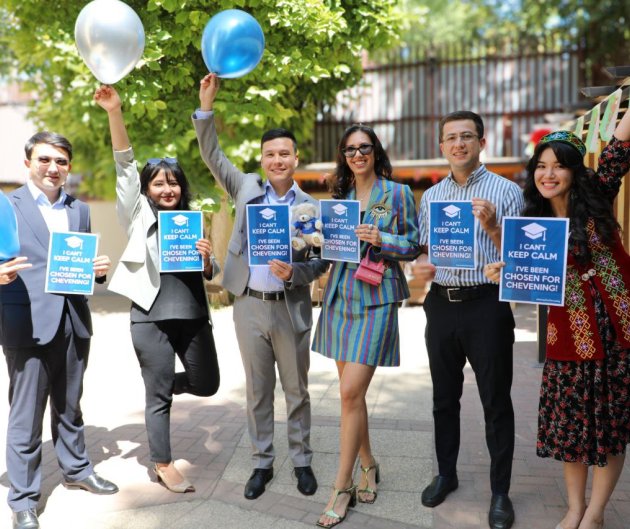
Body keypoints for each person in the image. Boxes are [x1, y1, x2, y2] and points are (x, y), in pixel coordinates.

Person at [484, 109, 630, 529]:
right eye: (541, 166)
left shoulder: (597, 195)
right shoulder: (531, 222)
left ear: (574, 171)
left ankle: (595, 515)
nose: (548, 174)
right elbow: (525, 278)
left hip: (617, 333)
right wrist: (502, 270)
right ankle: (574, 508)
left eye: (559, 166)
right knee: (571, 428)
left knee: (611, 428)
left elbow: (620, 146)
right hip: (568, 337)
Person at [193, 73, 328, 500]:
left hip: (290, 306)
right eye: (270, 154)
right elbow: (212, 154)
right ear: (263, 158)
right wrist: (206, 106)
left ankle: (302, 461)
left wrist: (296, 274)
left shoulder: (310, 207)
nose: (277, 160)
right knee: (257, 391)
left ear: (296, 158)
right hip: (249, 304)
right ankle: (262, 462)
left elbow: (320, 260)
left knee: (297, 391)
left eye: (284, 153)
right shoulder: (246, 186)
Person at [94, 85, 220, 493]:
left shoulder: (191, 221)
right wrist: (114, 111)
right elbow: (125, 165)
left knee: (207, 383)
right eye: (159, 184)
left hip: (193, 315)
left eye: (174, 184)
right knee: (159, 396)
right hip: (150, 318)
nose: (167, 190)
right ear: (147, 190)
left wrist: (207, 259)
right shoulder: (138, 215)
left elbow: (210, 272)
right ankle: (163, 462)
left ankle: (160, 387)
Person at [0, 132, 118, 529]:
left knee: (70, 405)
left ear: (69, 167)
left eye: (62, 162)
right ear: (28, 163)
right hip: (27, 324)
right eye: (45, 159)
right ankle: (23, 499)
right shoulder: (6, 206)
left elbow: (78, 265)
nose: (53, 168)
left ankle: (77, 470)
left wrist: (97, 272)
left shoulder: (79, 209)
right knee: (26, 415)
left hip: (72, 321)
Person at [413, 111, 524, 529]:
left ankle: (500, 492)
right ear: (441, 146)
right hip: (441, 303)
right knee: (444, 397)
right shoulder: (431, 197)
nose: (458, 144)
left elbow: (522, 258)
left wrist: (493, 227)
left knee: (495, 400)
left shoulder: (507, 191)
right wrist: (421, 265)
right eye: (451, 138)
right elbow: (426, 251)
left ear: (481, 142)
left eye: (466, 136)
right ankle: (447, 473)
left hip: (487, 304)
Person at [312, 125, 420, 527]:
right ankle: (369, 465)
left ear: (376, 152)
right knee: (351, 399)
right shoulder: (338, 199)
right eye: (350, 149)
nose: (357, 155)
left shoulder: (397, 193)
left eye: (364, 148)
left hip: (376, 299)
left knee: (349, 392)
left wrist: (382, 239)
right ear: (343, 156)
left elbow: (413, 244)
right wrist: (314, 241)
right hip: (340, 299)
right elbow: (331, 252)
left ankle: (341, 488)